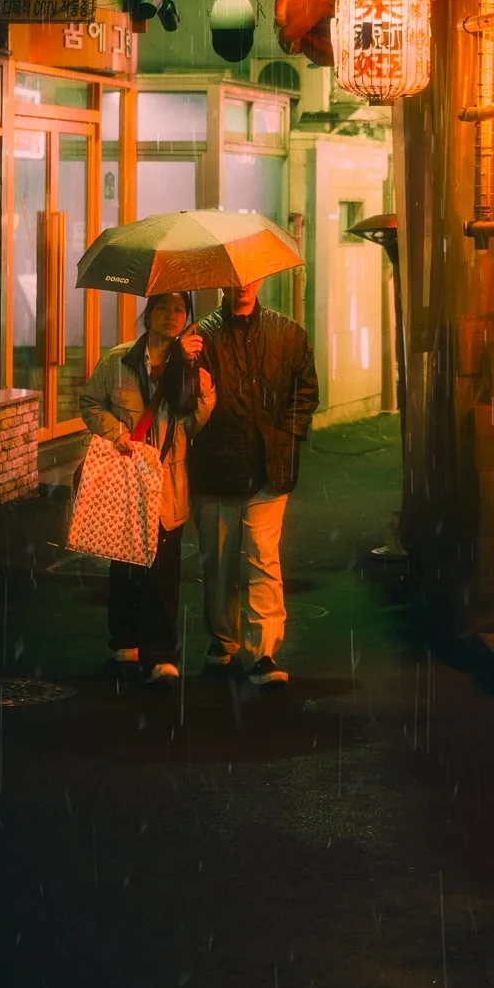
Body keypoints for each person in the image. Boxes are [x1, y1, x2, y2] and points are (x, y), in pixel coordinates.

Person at [79, 292, 215, 683]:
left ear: (187, 318)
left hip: (167, 480)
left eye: (179, 310)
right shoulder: (118, 360)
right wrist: (116, 432)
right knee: (123, 565)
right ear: (148, 313)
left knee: (162, 568)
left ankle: (161, 655)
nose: (171, 316)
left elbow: (193, 425)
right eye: (162, 307)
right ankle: (125, 644)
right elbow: (90, 403)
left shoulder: (189, 365)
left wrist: (197, 381)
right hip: (124, 478)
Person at [189, 278, 318, 685]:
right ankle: (223, 640)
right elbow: (182, 401)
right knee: (220, 559)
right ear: (223, 281)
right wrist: (182, 361)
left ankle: (263, 651)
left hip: (269, 463)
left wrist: (286, 438)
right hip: (216, 464)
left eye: (250, 275)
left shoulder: (288, 333)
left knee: (263, 555)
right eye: (233, 276)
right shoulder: (201, 337)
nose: (243, 284)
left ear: (261, 277)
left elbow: (305, 392)